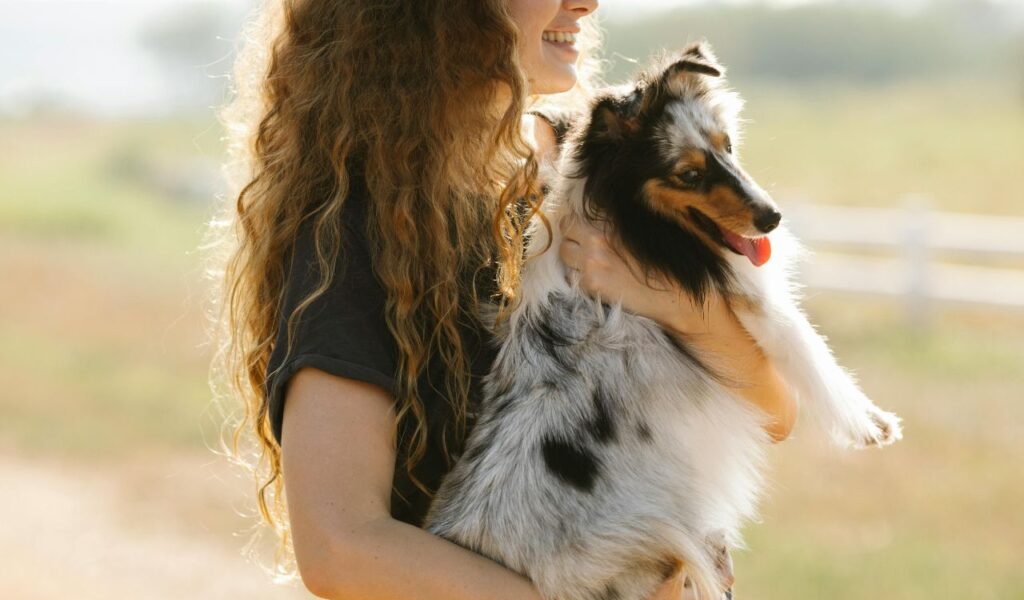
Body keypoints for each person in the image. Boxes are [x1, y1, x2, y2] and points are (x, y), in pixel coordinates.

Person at [207, 1, 797, 598]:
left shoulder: (593, 172)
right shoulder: (360, 236)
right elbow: (341, 547)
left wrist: (678, 306)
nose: (587, 3)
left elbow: (776, 413)